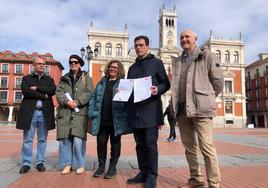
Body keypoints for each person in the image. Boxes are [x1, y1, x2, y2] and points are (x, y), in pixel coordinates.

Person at [170, 29, 223, 188]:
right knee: (189, 148)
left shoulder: (206, 56)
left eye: (187, 37)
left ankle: (214, 183)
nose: (184, 39)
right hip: (182, 110)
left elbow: (218, 81)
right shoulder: (178, 61)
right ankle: (196, 179)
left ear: (195, 39)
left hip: (201, 110)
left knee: (207, 148)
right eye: (182, 37)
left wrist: (206, 97)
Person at [126, 35, 170, 188]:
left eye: (141, 45)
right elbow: (128, 88)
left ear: (147, 46)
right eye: (136, 45)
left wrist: (158, 89)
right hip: (135, 112)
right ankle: (143, 172)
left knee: (150, 144)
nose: (138, 48)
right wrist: (122, 91)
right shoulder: (132, 68)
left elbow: (166, 83)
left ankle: (152, 175)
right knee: (139, 144)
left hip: (151, 111)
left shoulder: (156, 63)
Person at [88, 60, 131, 179]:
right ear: (108, 68)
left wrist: (123, 94)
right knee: (101, 143)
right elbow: (93, 97)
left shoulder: (123, 83)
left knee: (115, 144)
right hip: (101, 119)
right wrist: (91, 112)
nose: (113, 69)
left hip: (116, 120)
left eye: (116, 67)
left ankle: (112, 167)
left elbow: (129, 102)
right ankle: (101, 166)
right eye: (111, 67)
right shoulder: (102, 82)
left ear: (119, 70)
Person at [16, 57, 56, 174]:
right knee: (28, 140)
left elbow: (52, 90)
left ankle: (40, 162)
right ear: (34, 65)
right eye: (39, 64)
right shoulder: (27, 78)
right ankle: (26, 163)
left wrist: (37, 88)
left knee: (42, 139)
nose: (41, 66)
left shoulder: (49, 79)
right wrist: (43, 95)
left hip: (44, 113)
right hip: (30, 113)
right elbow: (26, 91)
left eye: (43, 64)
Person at [55, 54, 93, 175]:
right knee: (65, 140)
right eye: (71, 62)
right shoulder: (64, 78)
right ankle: (67, 164)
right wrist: (67, 102)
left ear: (80, 64)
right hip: (65, 112)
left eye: (75, 62)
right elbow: (59, 92)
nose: (73, 64)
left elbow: (89, 92)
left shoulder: (86, 77)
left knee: (78, 140)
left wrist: (78, 102)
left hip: (80, 113)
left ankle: (80, 164)